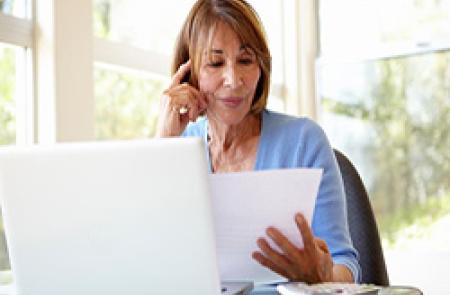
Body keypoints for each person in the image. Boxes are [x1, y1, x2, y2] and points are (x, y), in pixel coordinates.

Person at [156, 0, 361, 287]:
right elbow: (149, 258)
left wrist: (322, 276)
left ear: (261, 68)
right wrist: (163, 146)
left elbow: (347, 268)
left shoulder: (304, 141)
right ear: (189, 73)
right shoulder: (176, 149)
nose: (234, 80)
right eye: (215, 63)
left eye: (245, 60)